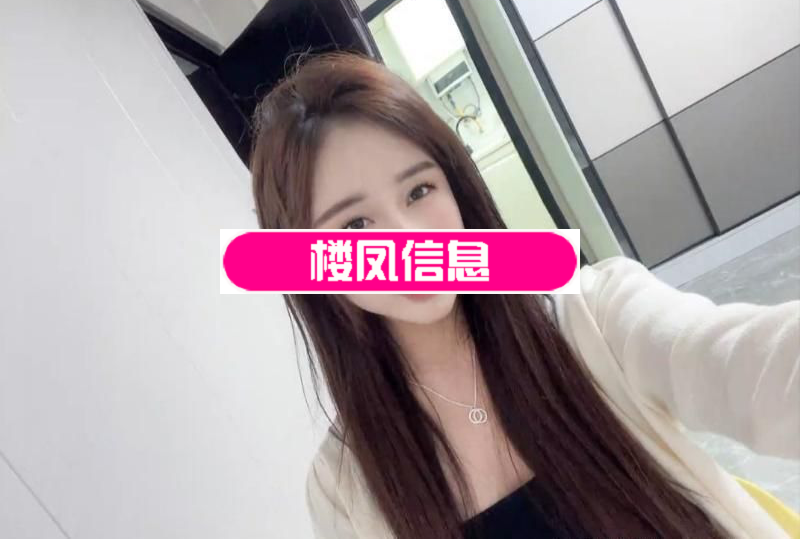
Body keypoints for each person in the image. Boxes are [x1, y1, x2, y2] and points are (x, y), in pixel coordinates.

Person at [249, 52, 799, 538]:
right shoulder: (343, 489)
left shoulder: (594, 315)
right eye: (354, 226)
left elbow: (744, 361)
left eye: (419, 190)